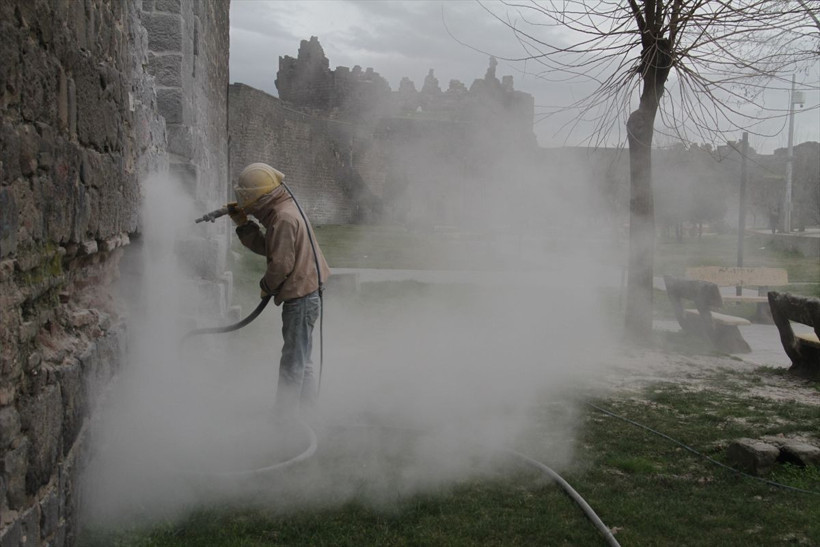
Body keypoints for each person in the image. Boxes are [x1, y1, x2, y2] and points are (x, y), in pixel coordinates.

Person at [229, 163, 331, 417]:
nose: (248, 206)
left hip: (301, 298)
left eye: (248, 200)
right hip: (307, 294)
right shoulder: (284, 210)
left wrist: (266, 286)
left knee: (292, 364)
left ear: (261, 197)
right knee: (302, 360)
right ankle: (308, 414)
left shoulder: (284, 218)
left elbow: (281, 265)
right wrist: (244, 225)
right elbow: (272, 247)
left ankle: (283, 422)